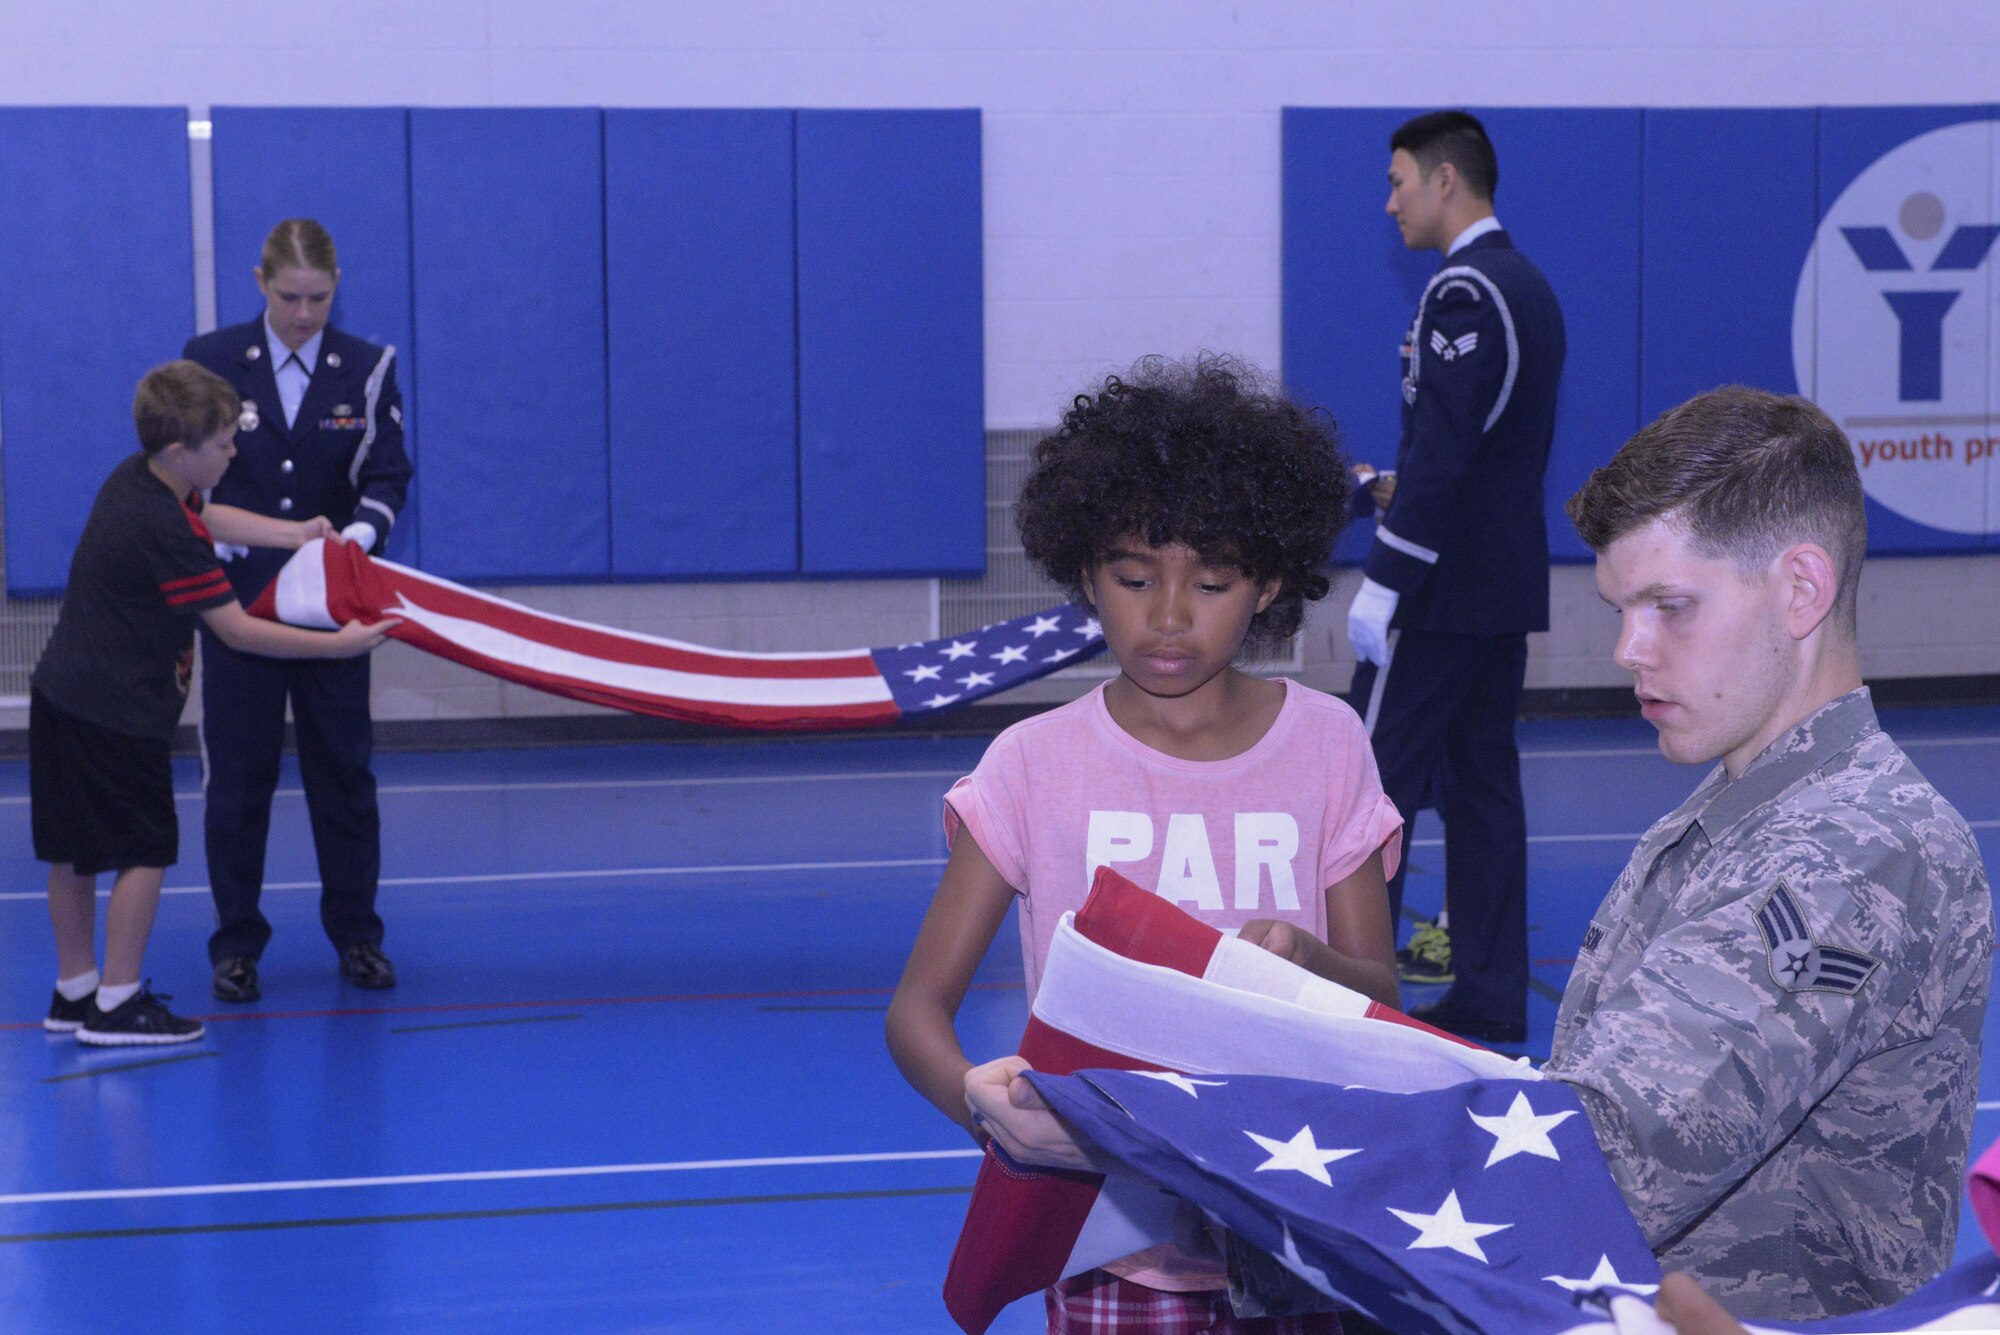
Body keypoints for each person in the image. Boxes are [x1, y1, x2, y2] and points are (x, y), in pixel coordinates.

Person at [968, 387, 1990, 1324]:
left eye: (1667, 606)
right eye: (1618, 611)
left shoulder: (1846, 856)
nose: (1628, 650)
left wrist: (1152, 1137)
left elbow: (1589, 1158)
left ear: (1800, 588)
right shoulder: (1740, 817)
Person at [887, 355, 1404, 1334]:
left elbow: (1382, 995)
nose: (1167, 617)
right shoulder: (1031, 764)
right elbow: (916, 1006)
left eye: (1210, 582)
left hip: (1300, 1232)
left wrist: (1308, 960)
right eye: (1132, 578)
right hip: (1109, 1249)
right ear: (1085, 574)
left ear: (1268, 583)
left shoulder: (1328, 743)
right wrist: (980, 1105)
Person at [35, 362, 395, 1045]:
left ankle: (74, 989)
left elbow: (213, 513)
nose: (234, 453)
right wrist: (339, 646)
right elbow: (237, 629)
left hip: (63, 697)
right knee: (145, 849)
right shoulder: (162, 530)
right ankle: (117, 1004)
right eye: (225, 443)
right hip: (117, 712)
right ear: (183, 450)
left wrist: (294, 534)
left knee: (75, 853)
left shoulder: (142, 479)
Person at [1343, 110, 1566, 1042]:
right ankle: (1487, 991)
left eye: (1399, 181)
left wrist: (1386, 578)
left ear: (1445, 181)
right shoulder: (1530, 284)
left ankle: (1356, 994)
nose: (1389, 200)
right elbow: (1482, 453)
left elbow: (1443, 454)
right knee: (1483, 789)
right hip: (1498, 585)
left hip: (1437, 593)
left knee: (1369, 787)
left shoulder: (1464, 292)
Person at [182, 218, 413, 1001]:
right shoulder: (210, 359)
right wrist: (206, 535)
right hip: (240, 606)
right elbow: (184, 479)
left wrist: (355, 538)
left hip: (333, 608)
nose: (305, 314)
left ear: (337, 285)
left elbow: (388, 476)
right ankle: (236, 944)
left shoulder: (369, 367)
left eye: (319, 297)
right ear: (259, 282)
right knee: (239, 782)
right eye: (290, 297)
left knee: (343, 776)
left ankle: (357, 936)